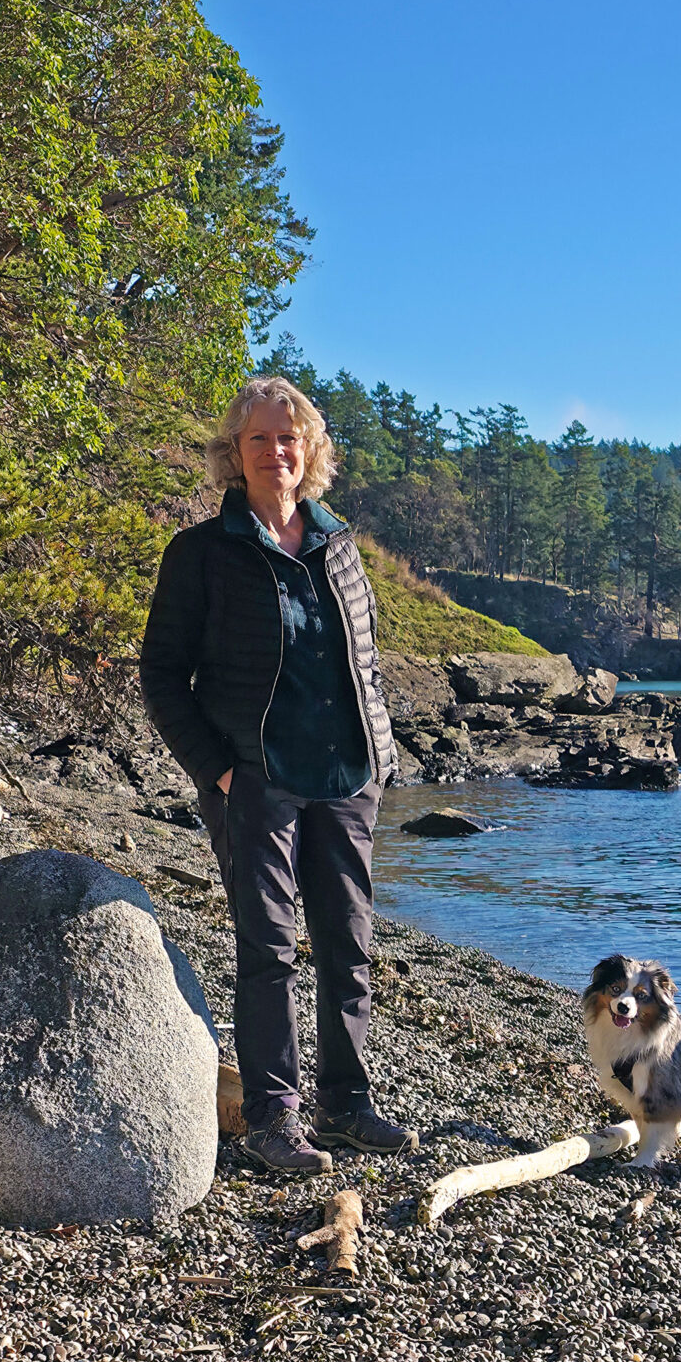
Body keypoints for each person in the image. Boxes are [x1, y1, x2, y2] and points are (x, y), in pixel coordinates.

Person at [139, 374, 417, 1175]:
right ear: (235, 452)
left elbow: (364, 663)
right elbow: (162, 676)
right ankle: (273, 1116)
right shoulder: (201, 553)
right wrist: (218, 772)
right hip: (258, 779)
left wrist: (381, 760)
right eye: (258, 438)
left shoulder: (339, 545)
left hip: (347, 777)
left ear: (310, 449)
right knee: (268, 950)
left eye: (288, 438)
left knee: (349, 947)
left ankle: (346, 1104)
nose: (274, 452)